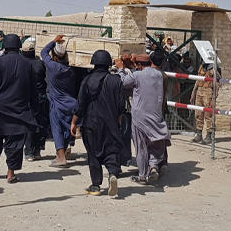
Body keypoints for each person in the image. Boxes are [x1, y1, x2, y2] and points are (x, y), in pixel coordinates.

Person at [0, 34, 39, 183]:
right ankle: (11, 173)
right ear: (18, 47)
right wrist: (35, 108)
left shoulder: (0, 62)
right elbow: (33, 89)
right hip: (19, 110)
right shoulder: (27, 64)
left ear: (5, 47)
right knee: (15, 142)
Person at [70, 50, 125, 197]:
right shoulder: (116, 80)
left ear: (94, 63)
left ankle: (95, 185)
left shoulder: (87, 80)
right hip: (111, 123)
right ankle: (113, 174)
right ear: (108, 64)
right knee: (111, 150)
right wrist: (117, 122)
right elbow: (121, 106)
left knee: (93, 153)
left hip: (91, 123)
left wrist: (74, 123)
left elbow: (80, 104)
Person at [116, 53, 171, 184]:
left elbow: (124, 82)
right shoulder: (158, 75)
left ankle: (142, 176)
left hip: (139, 117)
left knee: (140, 146)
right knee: (154, 144)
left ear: (139, 65)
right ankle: (153, 167)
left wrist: (120, 68)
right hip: (155, 116)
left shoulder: (137, 75)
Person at [41, 34, 77, 167]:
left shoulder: (54, 68)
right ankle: (62, 154)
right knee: (67, 130)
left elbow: (43, 52)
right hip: (71, 103)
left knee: (57, 129)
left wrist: (54, 41)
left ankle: (61, 156)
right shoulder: (71, 71)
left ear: (55, 58)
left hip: (57, 104)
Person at [21, 39, 49, 161]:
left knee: (29, 124)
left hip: (26, 97)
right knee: (41, 123)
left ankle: (28, 152)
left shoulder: (21, 64)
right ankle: (37, 150)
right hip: (41, 96)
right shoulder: (40, 64)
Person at [190, 63, 218, 145]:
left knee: (208, 115)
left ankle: (209, 135)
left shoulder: (214, 69)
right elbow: (198, 80)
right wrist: (193, 92)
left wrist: (214, 98)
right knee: (198, 114)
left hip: (208, 91)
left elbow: (217, 85)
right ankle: (199, 135)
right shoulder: (202, 67)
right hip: (200, 91)